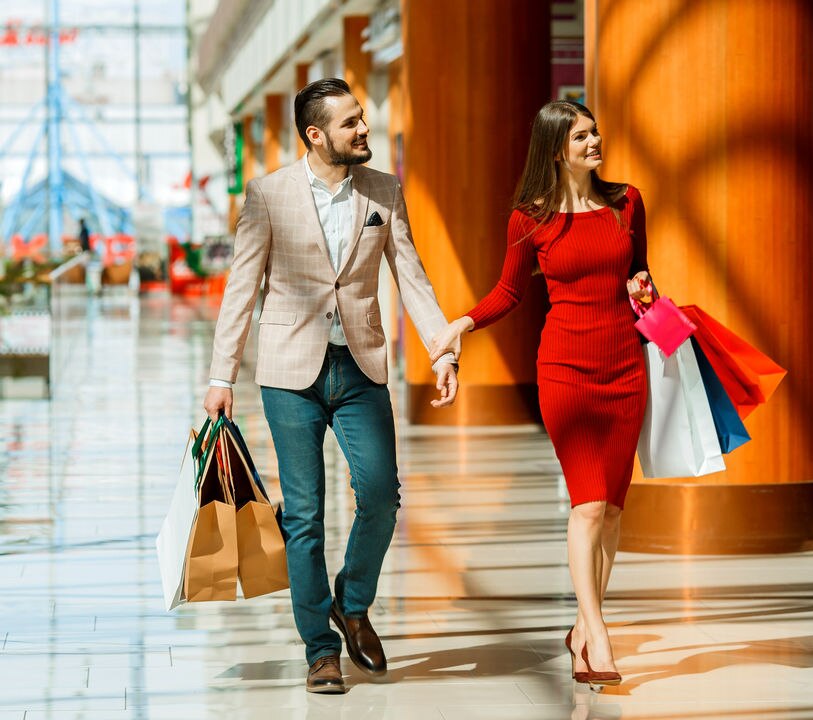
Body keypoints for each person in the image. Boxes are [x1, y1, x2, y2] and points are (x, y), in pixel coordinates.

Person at [203, 78, 459, 694]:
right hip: (290, 373)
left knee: (380, 492)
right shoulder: (268, 195)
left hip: (361, 366)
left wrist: (440, 349)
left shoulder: (384, 191)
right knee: (306, 515)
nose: (363, 129)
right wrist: (220, 375)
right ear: (315, 135)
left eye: (362, 118)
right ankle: (321, 648)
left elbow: (413, 277)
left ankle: (353, 600)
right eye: (350, 123)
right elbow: (242, 289)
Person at [429, 100, 652, 687]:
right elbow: (509, 292)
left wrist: (644, 287)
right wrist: (461, 325)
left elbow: (641, 272)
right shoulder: (530, 220)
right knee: (586, 504)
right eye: (582, 135)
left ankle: (583, 626)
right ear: (556, 149)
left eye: (596, 130)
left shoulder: (627, 201)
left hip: (627, 369)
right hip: (566, 373)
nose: (596, 140)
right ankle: (598, 633)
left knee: (612, 511)